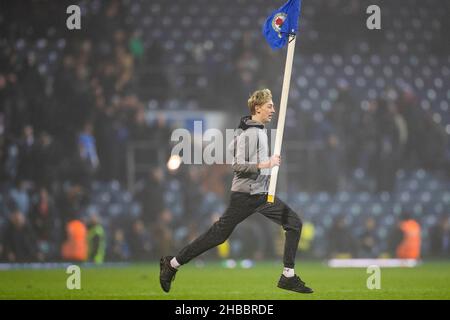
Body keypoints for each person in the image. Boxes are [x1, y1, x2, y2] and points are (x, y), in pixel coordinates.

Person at [159, 89, 313, 294]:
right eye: (269, 106)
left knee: (293, 223)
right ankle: (172, 264)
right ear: (257, 108)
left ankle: (288, 276)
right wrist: (265, 163)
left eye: (274, 106)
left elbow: (232, 148)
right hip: (246, 195)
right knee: (217, 236)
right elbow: (237, 164)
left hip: (260, 194)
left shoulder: (252, 130)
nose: (273, 110)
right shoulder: (251, 133)